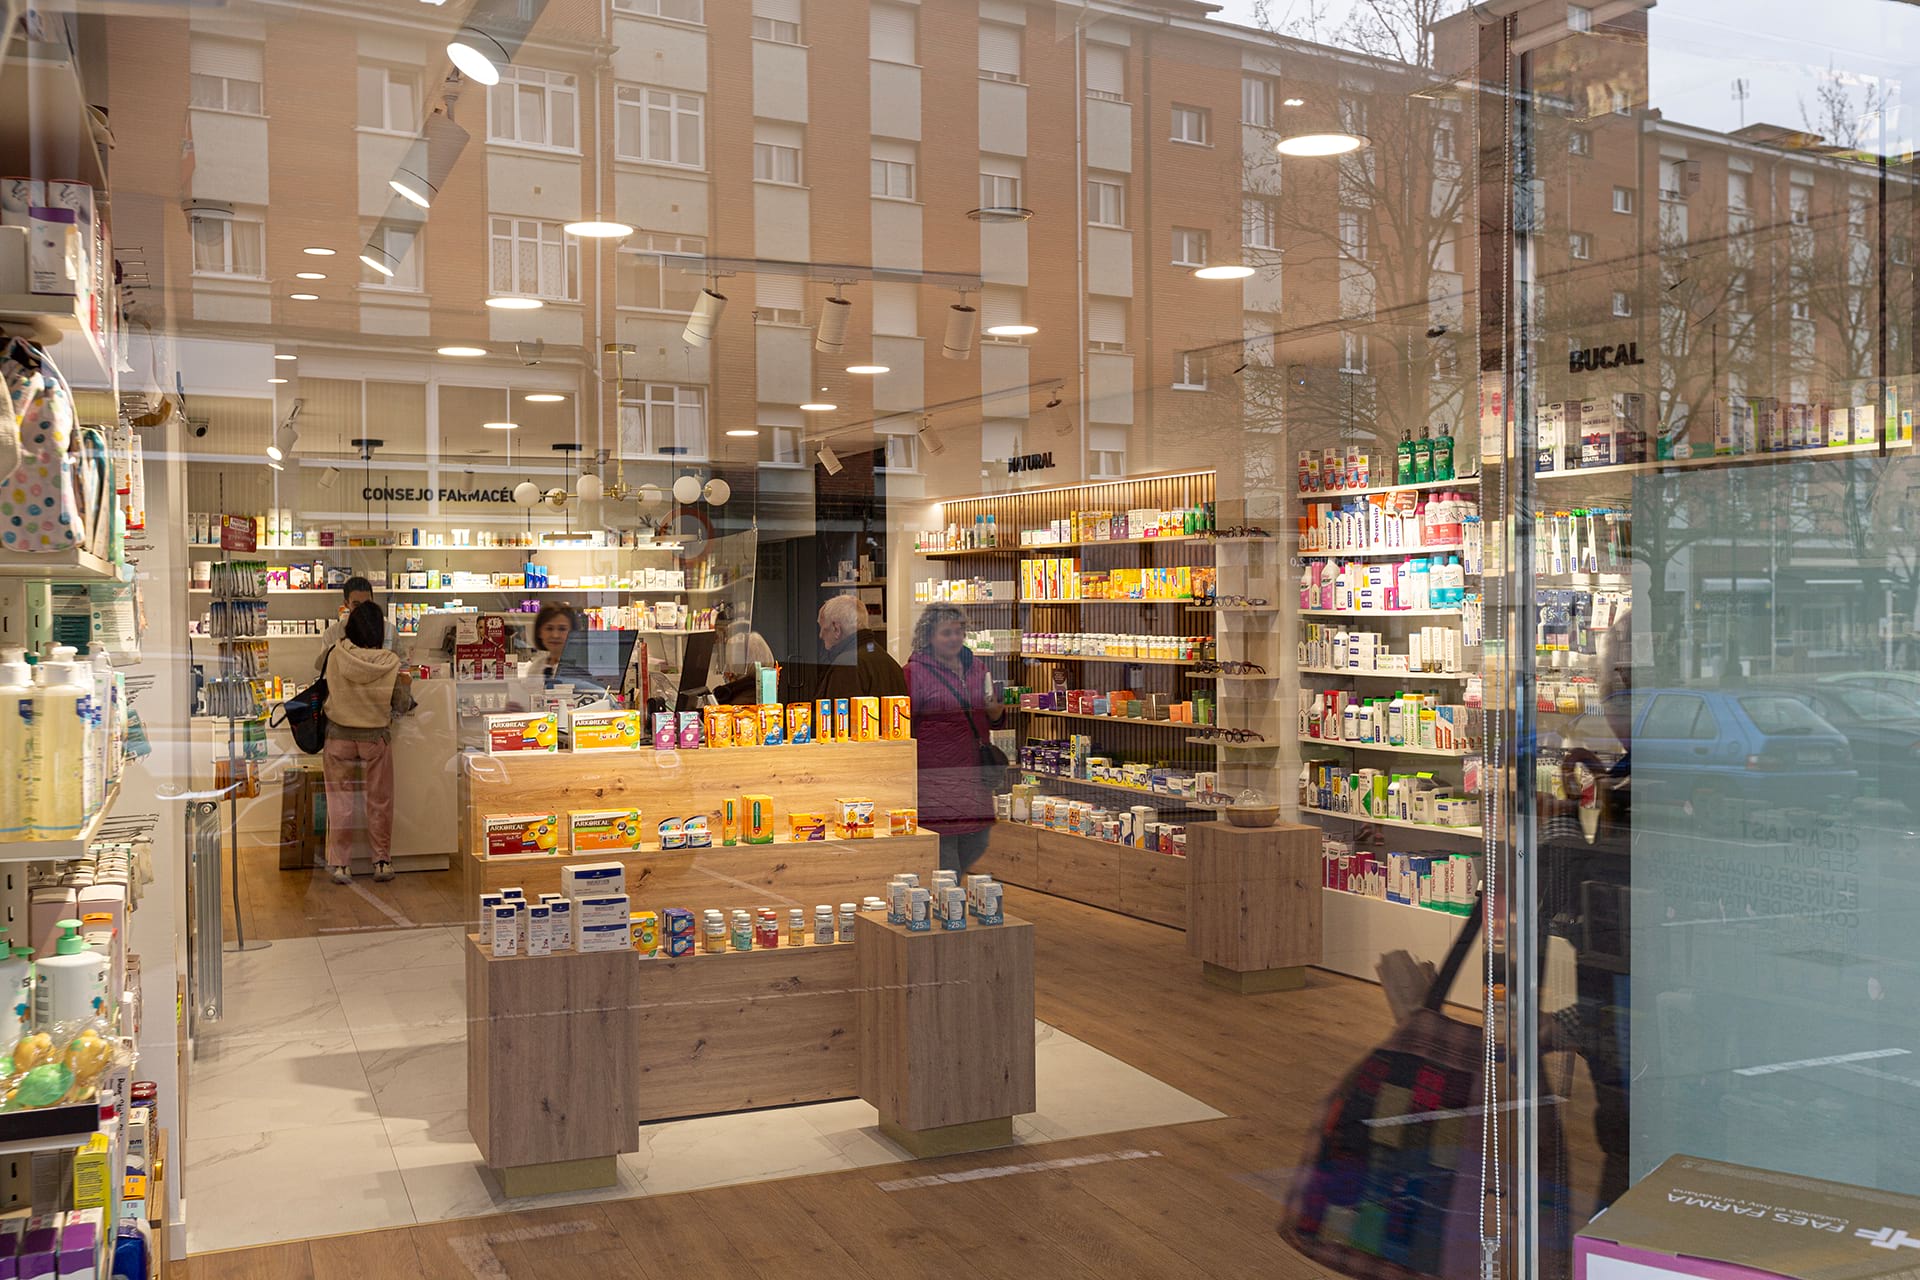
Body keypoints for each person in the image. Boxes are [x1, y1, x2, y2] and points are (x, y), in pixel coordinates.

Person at [904, 603, 1004, 874]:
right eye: (946, 633)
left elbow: (990, 713)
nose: (954, 638)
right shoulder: (915, 672)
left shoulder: (977, 666)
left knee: (977, 841)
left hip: (973, 772)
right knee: (945, 848)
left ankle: (949, 899)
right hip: (937, 773)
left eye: (958, 632)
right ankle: (946, 906)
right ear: (929, 637)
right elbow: (905, 724)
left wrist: (996, 713)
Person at [321, 602, 413, 885]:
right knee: (379, 801)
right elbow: (400, 702)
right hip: (375, 738)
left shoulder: (335, 654)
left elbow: (322, 682)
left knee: (340, 802)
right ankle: (382, 861)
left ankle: (340, 865)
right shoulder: (389, 661)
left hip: (338, 736)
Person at [783, 593, 907, 704]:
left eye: (823, 628)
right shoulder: (889, 663)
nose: (820, 635)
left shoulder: (847, 665)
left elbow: (837, 721)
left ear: (836, 629)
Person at [314, 577, 375, 673]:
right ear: (346, 604)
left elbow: (402, 666)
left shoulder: (389, 631)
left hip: (379, 687)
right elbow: (322, 668)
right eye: (356, 604)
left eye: (367, 603)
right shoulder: (332, 633)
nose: (362, 609)